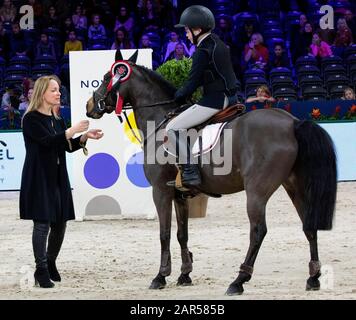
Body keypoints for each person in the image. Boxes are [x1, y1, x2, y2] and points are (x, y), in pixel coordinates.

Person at [19, 75, 104, 288]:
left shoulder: (56, 119)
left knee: (60, 222)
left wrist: (84, 137)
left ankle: (50, 261)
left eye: (58, 90)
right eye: (54, 90)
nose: (58, 93)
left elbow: (64, 146)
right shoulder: (30, 119)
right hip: (39, 176)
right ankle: (41, 270)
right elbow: (47, 142)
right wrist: (72, 131)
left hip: (58, 176)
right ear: (42, 93)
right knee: (42, 224)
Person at [165, 5, 238, 188]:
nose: (187, 35)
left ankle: (190, 172)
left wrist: (177, 97)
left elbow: (192, 83)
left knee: (172, 128)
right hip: (230, 97)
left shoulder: (202, 51)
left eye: (188, 31)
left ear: (197, 30)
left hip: (214, 101)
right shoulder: (218, 43)